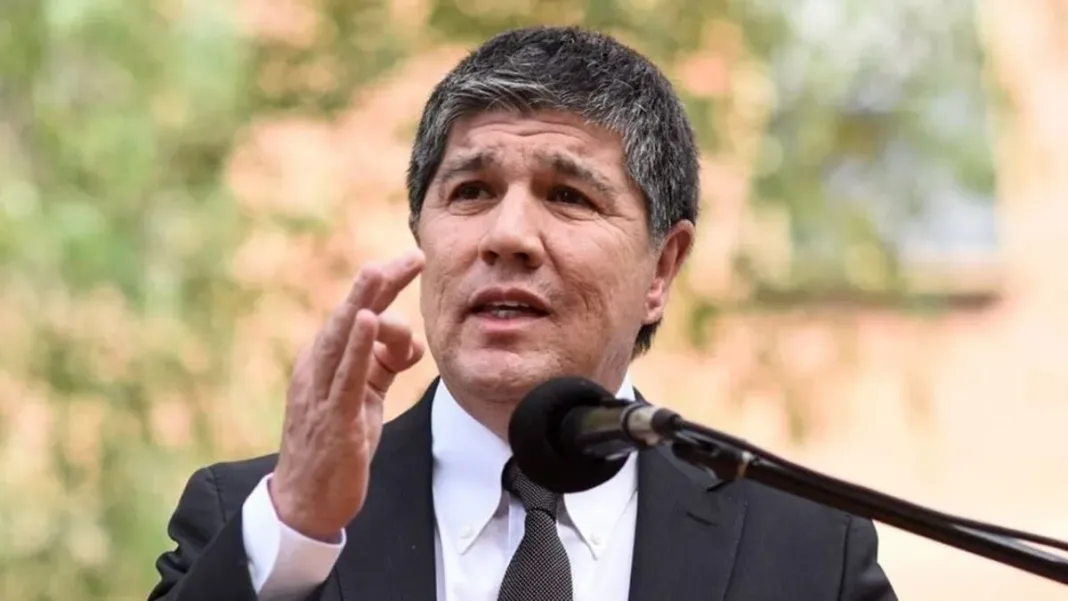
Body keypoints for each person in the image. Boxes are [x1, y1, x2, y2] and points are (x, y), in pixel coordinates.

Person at [147, 25, 897, 601]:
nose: (507, 236)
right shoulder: (257, 520)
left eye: (568, 196)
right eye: (471, 191)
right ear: (420, 233)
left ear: (662, 268)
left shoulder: (805, 551)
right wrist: (299, 525)